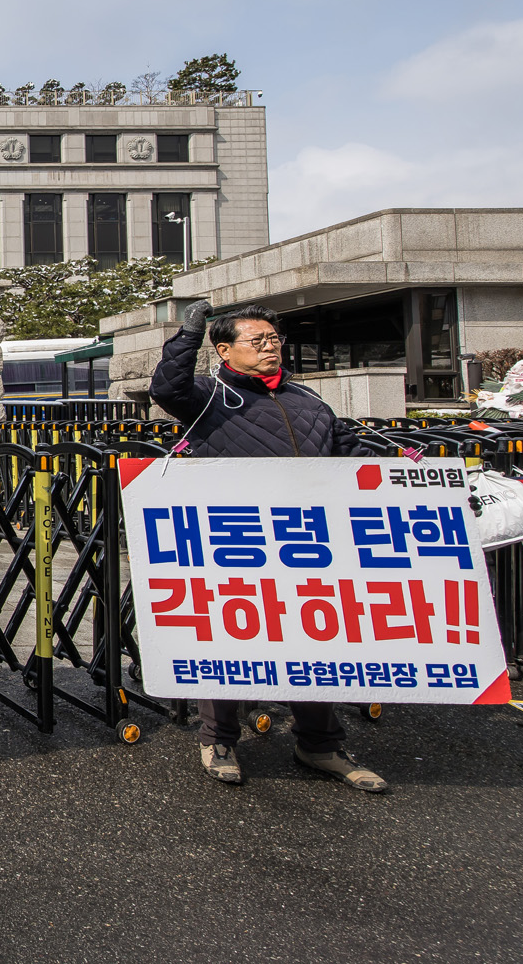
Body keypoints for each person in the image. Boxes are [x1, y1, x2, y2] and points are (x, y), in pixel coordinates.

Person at [150, 299, 387, 793]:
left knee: (314, 639)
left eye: (273, 340)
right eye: (256, 342)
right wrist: (185, 335)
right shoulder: (208, 397)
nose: (269, 348)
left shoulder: (309, 401)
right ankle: (218, 739)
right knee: (228, 638)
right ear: (224, 351)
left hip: (308, 542)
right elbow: (166, 388)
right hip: (234, 541)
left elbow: (349, 454)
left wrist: (407, 478)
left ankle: (320, 743)